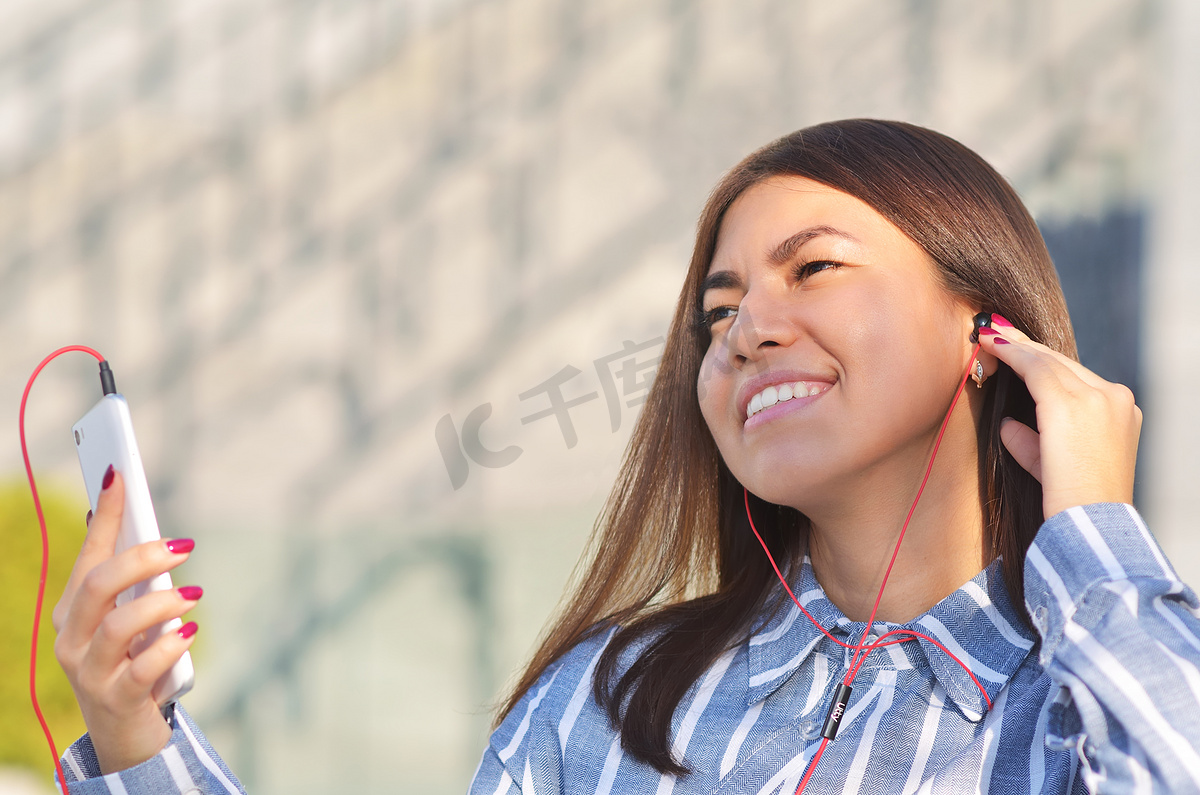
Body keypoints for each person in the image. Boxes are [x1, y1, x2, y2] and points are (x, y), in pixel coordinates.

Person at [51, 120, 1200, 794]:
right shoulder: (612, 700)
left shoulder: (1089, 689)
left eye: (815, 271)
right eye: (719, 308)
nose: (747, 328)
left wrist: (1094, 540)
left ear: (984, 326)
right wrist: (136, 731)